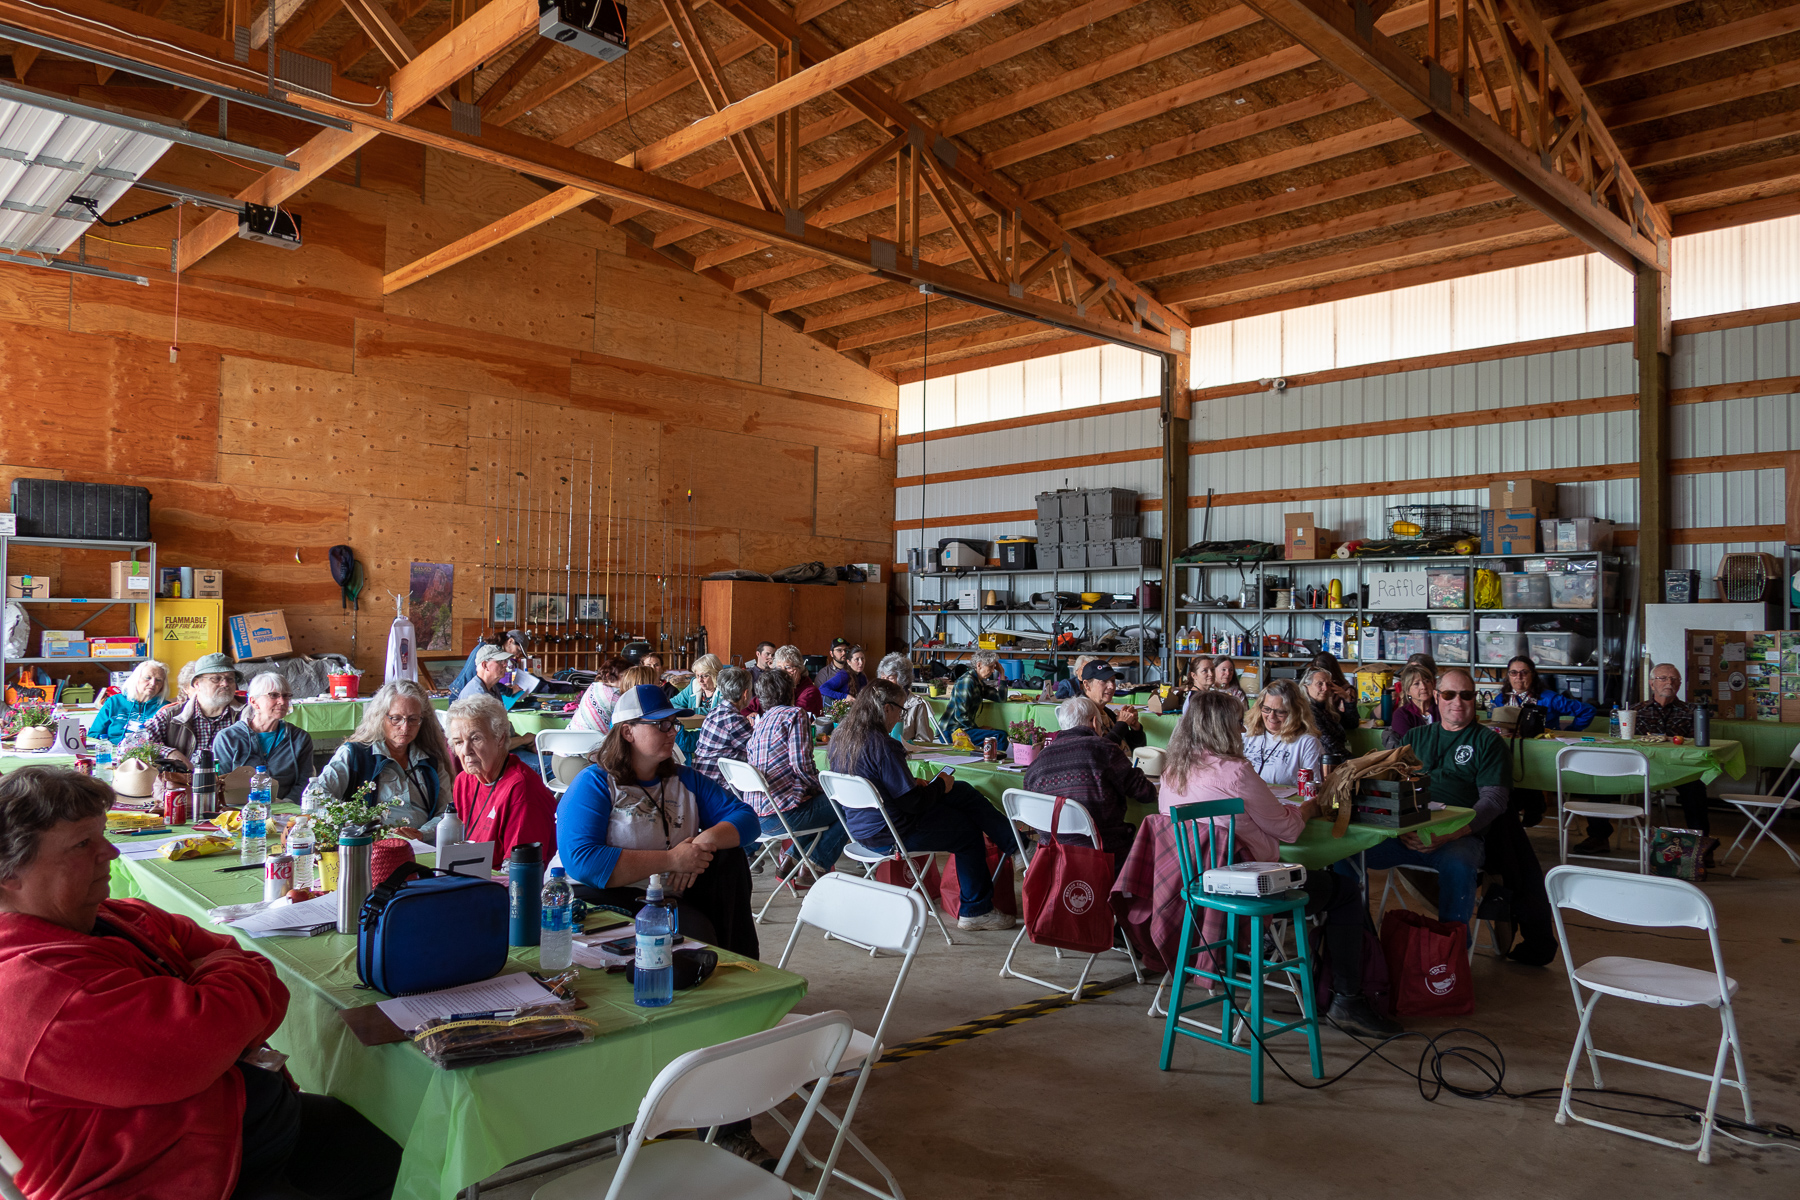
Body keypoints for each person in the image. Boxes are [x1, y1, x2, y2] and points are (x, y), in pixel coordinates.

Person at [0, 767, 401, 1200]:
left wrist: (215, 991)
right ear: (10, 874)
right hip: (152, 1175)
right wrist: (215, 991)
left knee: (388, 1150)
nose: (111, 852)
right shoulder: (35, 988)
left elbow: (257, 973)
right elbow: (202, 1040)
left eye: (102, 835)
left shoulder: (117, 916)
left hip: (224, 1133)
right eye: (83, 844)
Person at [1159, 693, 1398, 1038]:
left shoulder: (1172, 770)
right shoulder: (1236, 772)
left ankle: (1340, 985)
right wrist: (1309, 808)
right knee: (1345, 891)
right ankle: (1348, 999)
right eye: (1237, 722)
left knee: (1325, 885)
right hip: (1246, 893)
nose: (1243, 729)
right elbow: (1288, 830)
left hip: (1195, 892)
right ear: (1222, 728)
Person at [557, 684, 760, 954]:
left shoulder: (685, 780)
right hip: (598, 894)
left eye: (674, 723)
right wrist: (673, 859)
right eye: (661, 724)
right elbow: (583, 861)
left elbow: (747, 820)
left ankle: (741, 972)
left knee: (727, 858)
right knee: (692, 940)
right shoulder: (594, 783)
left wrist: (702, 842)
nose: (673, 731)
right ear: (627, 731)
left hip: (659, 896)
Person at [826, 681, 1019, 931]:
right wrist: (939, 787)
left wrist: (923, 785)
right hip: (892, 832)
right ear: (885, 708)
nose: (899, 719)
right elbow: (913, 803)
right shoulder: (883, 745)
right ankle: (977, 908)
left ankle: (1015, 847)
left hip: (861, 829)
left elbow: (889, 788)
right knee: (967, 829)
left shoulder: (841, 736)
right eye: (900, 711)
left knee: (961, 791)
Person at [1351, 668, 1501, 928]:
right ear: (1437, 696)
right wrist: (1398, 827)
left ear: (1474, 699)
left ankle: (1452, 952)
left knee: (1459, 866)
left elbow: (1494, 800)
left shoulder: (1488, 742)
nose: (1457, 701)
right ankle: (1356, 936)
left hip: (1458, 837)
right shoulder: (1414, 738)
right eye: (1449, 694)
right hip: (1405, 834)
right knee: (1347, 852)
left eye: (1465, 695)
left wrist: (1452, 834)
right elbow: (1395, 785)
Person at [1601, 663, 1716, 863]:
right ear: (1652, 683)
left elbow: (1698, 746)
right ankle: (1598, 837)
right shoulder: (1635, 710)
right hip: (1637, 769)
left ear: (1680, 684)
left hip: (1677, 769)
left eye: (1674, 679)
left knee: (1695, 788)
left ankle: (1701, 850)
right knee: (1600, 781)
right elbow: (1620, 741)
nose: (1669, 683)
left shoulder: (1691, 711)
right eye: (1663, 678)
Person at [312, 680, 456, 839]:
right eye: (396, 718)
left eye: (413, 719)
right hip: (371, 845)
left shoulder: (431, 761)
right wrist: (357, 825)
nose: (405, 727)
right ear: (380, 717)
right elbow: (316, 794)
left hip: (422, 844)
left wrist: (422, 833)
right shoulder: (354, 755)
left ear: (423, 720)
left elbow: (447, 812)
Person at [1021, 696, 1156, 865]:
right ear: (1094, 722)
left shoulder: (1038, 761)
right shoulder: (1105, 749)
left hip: (1054, 856)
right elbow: (1146, 793)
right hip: (1103, 852)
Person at [745, 670, 849, 880]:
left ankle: (791, 860)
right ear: (790, 691)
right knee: (849, 803)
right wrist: (822, 789)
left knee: (824, 806)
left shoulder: (761, 722)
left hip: (758, 816)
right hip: (783, 815)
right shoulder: (795, 715)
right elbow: (801, 766)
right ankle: (816, 864)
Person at [447, 695, 558, 868]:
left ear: (500, 738)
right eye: (458, 742)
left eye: (476, 739)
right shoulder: (464, 780)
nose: (466, 751)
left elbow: (518, 870)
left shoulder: (522, 788)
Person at [140, 652, 242, 785]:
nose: (225, 684)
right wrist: (171, 753)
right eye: (216, 678)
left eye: (230, 679)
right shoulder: (171, 716)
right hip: (183, 789)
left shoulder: (246, 716)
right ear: (197, 684)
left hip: (231, 789)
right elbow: (135, 742)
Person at [212, 673, 316, 800]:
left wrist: (286, 805)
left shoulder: (299, 738)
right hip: (240, 810)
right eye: (273, 695)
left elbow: (305, 782)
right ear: (254, 702)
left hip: (288, 810)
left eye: (286, 696)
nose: (282, 701)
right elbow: (221, 783)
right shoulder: (227, 738)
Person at [1242, 679, 1324, 796]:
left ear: (1294, 712)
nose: (1271, 716)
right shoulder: (1246, 733)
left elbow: (1314, 789)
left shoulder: (1307, 743)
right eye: (1266, 709)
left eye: (1280, 712)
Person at [692, 667, 755, 789]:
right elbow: (757, 751)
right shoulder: (735, 720)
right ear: (746, 694)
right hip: (719, 786)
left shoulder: (715, 711)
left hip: (701, 778)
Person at [1498, 656, 1596, 731]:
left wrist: (1571, 731)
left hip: (1544, 745)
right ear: (1508, 676)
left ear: (1532, 674)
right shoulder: (1500, 699)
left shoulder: (1550, 699)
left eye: (1524, 672)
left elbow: (1587, 710)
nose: (1518, 677)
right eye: (1513, 673)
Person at [89, 659, 170, 743]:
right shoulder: (114, 701)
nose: (153, 683)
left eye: (158, 680)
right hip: (111, 751)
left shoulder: (166, 708)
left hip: (144, 754)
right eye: (147, 678)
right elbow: (93, 735)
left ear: (163, 685)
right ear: (136, 678)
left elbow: (167, 742)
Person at [944, 649, 1009, 749]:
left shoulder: (978, 683)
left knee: (1001, 733)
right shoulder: (967, 681)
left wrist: (1002, 674)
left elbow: (1001, 698)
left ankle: (993, 759)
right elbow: (961, 715)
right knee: (1000, 736)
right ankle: (994, 762)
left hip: (963, 728)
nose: (992, 671)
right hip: (952, 731)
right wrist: (977, 729)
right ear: (979, 665)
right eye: (990, 667)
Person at [1080, 661, 1146, 752]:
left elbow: (1138, 750)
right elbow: (1098, 752)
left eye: (1113, 680)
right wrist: (1122, 724)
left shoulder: (1107, 713)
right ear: (1087, 685)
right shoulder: (1081, 714)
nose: (1111, 686)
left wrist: (1135, 728)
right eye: (1104, 681)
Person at [670, 654, 723, 760]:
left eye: (705, 676)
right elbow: (672, 703)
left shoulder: (724, 690)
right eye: (697, 675)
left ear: (715, 675)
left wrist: (693, 711)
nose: (700, 680)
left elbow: (721, 712)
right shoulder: (694, 686)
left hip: (714, 734)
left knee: (682, 743)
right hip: (693, 732)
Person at [448, 629, 530, 697]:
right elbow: (486, 677)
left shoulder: (495, 650)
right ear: (510, 641)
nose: (518, 655)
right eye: (518, 650)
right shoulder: (486, 649)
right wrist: (509, 691)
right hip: (461, 695)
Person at [878, 652, 936, 742]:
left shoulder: (916, 704)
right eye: (883, 677)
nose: (885, 682)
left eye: (890, 678)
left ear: (902, 679)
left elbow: (924, 740)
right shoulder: (877, 701)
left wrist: (907, 746)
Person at [1304, 666, 1357, 759]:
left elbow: (1352, 723)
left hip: (1335, 759)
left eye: (1328, 684)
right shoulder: (1307, 711)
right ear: (1306, 686)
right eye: (1319, 684)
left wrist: (1347, 698)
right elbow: (1331, 745)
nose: (1325, 688)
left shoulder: (1326, 709)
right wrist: (1355, 761)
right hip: (1323, 762)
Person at [1383, 664, 1438, 750]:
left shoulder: (1442, 709)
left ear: (1433, 685)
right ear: (1408, 690)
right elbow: (1411, 745)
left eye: (1427, 681)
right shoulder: (1402, 715)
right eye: (1416, 684)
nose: (1423, 687)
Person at [569, 655, 629, 734]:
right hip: (596, 743)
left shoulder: (594, 686)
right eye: (623, 676)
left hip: (569, 738)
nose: (627, 680)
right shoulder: (615, 695)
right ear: (608, 675)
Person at [773, 644, 823, 716]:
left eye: (788, 667)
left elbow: (793, 716)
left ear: (799, 668)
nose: (783, 672)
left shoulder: (810, 692)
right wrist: (752, 713)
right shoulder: (776, 684)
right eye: (779, 668)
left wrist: (792, 686)